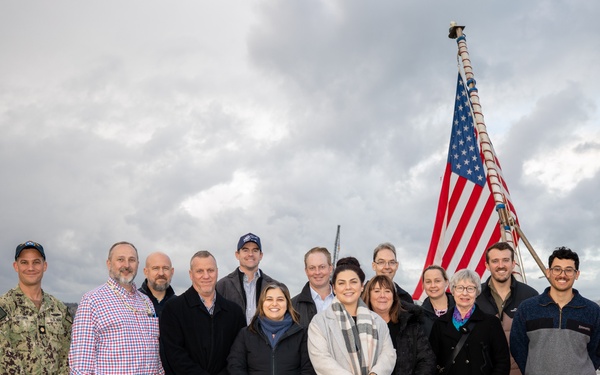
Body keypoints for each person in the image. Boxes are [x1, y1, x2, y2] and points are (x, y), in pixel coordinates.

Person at [69, 241, 164, 374]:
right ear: (109, 264)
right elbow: (80, 365)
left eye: (132, 260)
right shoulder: (92, 301)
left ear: (137, 264)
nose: (126, 265)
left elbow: (155, 358)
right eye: (120, 259)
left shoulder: (146, 302)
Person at [510, 247, 600, 374]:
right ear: (548, 272)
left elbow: (596, 352)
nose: (562, 275)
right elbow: (518, 347)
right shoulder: (527, 308)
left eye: (569, 270)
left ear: (577, 274)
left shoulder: (592, 311)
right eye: (557, 269)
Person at [160, 250, 246, 374]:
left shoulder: (234, 312)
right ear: (191, 274)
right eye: (200, 271)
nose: (206, 276)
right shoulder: (173, 309)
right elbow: (174, 355)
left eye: (210, 270)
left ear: (217, 272)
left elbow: (238, 354)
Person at [308, 257, 396, 375]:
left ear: (362, 286)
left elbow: (388, 354)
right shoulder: (319, 322)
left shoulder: (377, 321)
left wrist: (375, 373)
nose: (348, 287)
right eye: (341, 283)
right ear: (334, 288)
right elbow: (321, 360)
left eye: (353, 282)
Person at [0, 241, 72, 374]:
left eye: (36, 262)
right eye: (24, 262)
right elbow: (3, 354)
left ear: (45, 266)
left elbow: (67, 353)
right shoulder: (4, 306)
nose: (31, 268)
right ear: (16, 266)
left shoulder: (59, 309)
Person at [429, 269, 510, 375]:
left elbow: (502, 362)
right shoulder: (440, 324)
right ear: (453, 291)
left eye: (470, 288)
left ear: (477, 292)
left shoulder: (491, 323)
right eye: (460, 288)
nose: (465, 293)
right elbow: (430, 361)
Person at [476, 242, 538, 375]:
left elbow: (539, 340)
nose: (501, 265)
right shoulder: (475, 296)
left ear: (513, 264)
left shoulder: (530, 296)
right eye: (495, 261)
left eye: (505, 260)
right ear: (487, 265)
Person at [228, 282, 315, 374]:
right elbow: (235, 365)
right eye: (269, 299)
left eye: (280, 299)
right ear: (262, 303)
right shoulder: (246, 334)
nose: (274, 304)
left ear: (287, 304)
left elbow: (308, 369)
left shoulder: (302, 333)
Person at [362, 275, 436, 375]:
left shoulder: (410, 324)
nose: (382, 295)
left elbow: (426, 359)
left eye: (387, 291)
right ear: (369, 295)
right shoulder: (359, 325)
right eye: (377, 291)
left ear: (394, 297)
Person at [217, 232, 279, 324]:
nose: (250, 254)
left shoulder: (274, 286)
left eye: (255, 250)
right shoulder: (222, 285)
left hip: (264, 338)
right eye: (245, 250)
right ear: (237, 254)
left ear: (261, 255)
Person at [292, 247, 334, 328]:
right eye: (312, 268)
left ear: (330, 269)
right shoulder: (292, 307)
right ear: (306, 271)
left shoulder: (345, 302)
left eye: (322, 267)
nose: (317, 272)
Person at [139, 251, 176, 318]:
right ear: (146, 272)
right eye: (155, 268)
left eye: (165, 268)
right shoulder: (133, 301)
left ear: (172, 272)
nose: (161, 273)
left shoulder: (180, 304)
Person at [420, 265, 455, 337]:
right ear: (423, 285)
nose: (433, 285)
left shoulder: (462, 309)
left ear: (446, 282)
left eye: (437, 281)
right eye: (428, 282)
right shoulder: (418, 317)